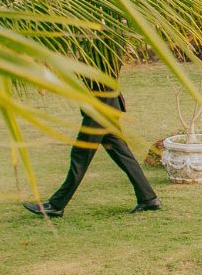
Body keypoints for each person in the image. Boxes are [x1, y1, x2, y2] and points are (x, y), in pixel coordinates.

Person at [22, 77, 160, 218]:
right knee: (122, 155)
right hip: (107, 106)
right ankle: (148, 198)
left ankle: (56, 205)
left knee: (80, 156)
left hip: (100, 109)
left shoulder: (101, 57)